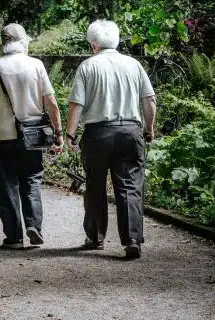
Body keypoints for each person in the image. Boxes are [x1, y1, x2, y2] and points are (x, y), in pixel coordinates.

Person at [66, 20, 156, 259]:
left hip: (97, 135)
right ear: (117, 41)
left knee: (95, 185)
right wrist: (149, 129)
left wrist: (70, 134)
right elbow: (149, 100)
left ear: (92, 44)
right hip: (130, 131)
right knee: (129, 187)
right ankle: (132, 239)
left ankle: (95, 237)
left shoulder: (87, 66)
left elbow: (77, 104)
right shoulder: (134, 65)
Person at [0, 23, 63, 249]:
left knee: (6, 185)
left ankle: (14, 236)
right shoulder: (36, 65)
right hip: (32, 136)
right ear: (23, 42)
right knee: (32, 180)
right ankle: (34, 225)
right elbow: (51, 102)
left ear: (4, 43)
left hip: (0, 137)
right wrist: (58, 132)